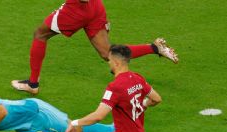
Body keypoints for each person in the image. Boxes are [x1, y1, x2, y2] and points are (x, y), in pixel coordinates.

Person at [11, 0, 179, 95]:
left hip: (77, 9)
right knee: (108, 53)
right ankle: (154, 48)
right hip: (94, 6)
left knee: (40, 34)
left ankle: (32, 84)